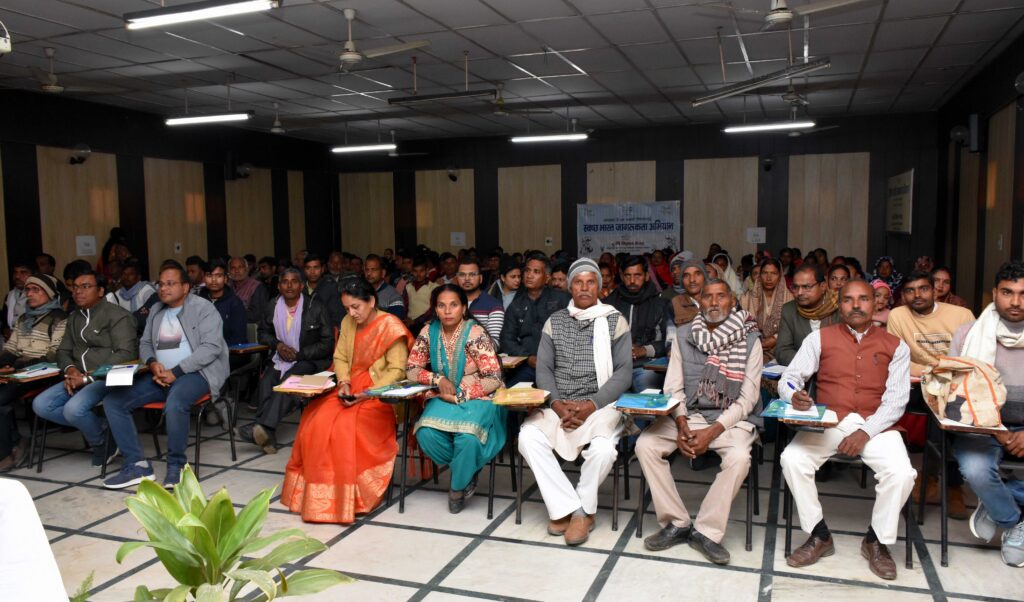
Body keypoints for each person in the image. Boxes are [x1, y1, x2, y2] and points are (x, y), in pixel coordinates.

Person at [779, 280, 917, 581]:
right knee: (792, 459)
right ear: (838, 304)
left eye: (864, 299)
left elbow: (896, 401)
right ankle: (819, 534)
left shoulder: (896, 345)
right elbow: (789, 377)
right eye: (848, 300)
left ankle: (876, 541)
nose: (856, 305)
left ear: (875, 303)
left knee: (902, 473)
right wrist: (794, 395)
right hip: (832, 420)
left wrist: (865, 432)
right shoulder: (820, 338)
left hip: (878, 424)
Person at [636, 278, 762, 563]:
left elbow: (747, 399)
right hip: (689, 414)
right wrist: (681, 424)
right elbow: (673, 387)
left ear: (732, 301)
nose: (714, 302)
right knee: (645, 444)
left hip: (729, 418)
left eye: (721, 297)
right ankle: (677, 522)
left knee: (740, 457)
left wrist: (712, 432)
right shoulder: (683, 334)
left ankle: (706, 531)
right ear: (699, 302)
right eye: (708, 297)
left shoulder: (750, 339)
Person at [518, 258, 632, 546]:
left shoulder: (615, 320)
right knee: (527, 437)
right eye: (578, 282)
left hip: (600, 405)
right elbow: (543, 369)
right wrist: (556, 405)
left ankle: (582, 508)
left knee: (604, 450)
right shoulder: (554, 321)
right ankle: (571, 508)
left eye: (590, 281)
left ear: (600, 287)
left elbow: (624, 373)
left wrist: (590, 405)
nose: (584, 287)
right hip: (560, 404)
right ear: (569, 287)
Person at [281, 279, 414, 523]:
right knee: (315, 419)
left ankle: (352, 498)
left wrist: (366, 393)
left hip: (379, 393)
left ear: (371, 301)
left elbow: (397, 370)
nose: (351, 313)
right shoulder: (347, 322)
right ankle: (317, 499)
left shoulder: (390, 326)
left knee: (345, 427)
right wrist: (344, 383)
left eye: (356, 307)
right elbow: (340, 357)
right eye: (347, 308)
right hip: (350, 385)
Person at [102, 262, 228, 489]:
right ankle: (137, 465)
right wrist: (152, 364)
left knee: (175, 402)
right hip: (160, 375)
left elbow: (211, 348)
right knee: (114, 401)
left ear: (186, 287)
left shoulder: (203, 308)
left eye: (171, 284)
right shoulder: (157, 311)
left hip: (196, 373)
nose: (163, 289)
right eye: (161, 284)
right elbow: (146, 343)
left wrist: (176, 372)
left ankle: (176, 466)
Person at [949, 261, 1024, 566]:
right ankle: (1012, 521)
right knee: (977, 470)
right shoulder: (968, 334)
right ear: (994, 293)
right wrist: (999, 431)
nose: (1016, 301)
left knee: (987, 479)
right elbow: (955, 397)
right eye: (1008, 293)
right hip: (981, 424)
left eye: (1023, 293)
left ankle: (996, 499)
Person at [406, 285, 505, 513]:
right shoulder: (428, 331)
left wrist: (461, 395)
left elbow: (493, 377)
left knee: (468, 439)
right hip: (443, 394)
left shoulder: (475, 333)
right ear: (436, 309)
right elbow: (412, 369)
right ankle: (467, 469)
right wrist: (437, 378)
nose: (447, 311)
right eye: (441, 305)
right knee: (425, 433)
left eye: (454, 305)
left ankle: (457, 486)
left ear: (464, 308)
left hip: (480, 396)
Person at [887, 270, 975, 516]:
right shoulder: (898, 315)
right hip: (918, 385)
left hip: (957, 385)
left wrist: (943, 372)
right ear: (902, 295)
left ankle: (944, 482)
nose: (917, 295)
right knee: (930, 406)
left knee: (948, 411)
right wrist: (933, 369)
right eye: (910, 290)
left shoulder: (961, 315)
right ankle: (931, 479)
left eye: (923, 288)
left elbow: (972, 357)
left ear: (935, 290)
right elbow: (897, 358)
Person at [32, 269, 137, 466]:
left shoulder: (118, 316)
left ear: (100, 291)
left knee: (74, 409)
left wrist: (88, 377)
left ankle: (99, 443)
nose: (78, 292)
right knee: (41, 405)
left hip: (106, 377)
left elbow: (127, 354)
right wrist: (71, 371)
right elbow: (62, 351)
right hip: (77, 376)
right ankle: (104, 431)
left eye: (86, 287)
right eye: (75, 287)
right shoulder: (74, 318)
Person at [237, 268, 334, 454]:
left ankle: (262, 427)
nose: (289, 285)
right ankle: (267, 435)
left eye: (294, 281)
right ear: (279, 286)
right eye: (284, 282)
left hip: (311, 361)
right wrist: (278, 345)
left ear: (301, 285)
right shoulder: (272, 305)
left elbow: (328, 343)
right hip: (281, 358)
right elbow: (263, 333)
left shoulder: (316, 306)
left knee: (290, 381)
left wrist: (299, 355)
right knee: (266, 382)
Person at [0, 274, 66, 472]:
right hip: (20, 372)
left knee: (1, 398)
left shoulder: (60, 319)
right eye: (28, 290)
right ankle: (16, 442)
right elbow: (11, 348)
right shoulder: (23, 319)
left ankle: (7, 452)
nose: (30, 294)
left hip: (44, 372)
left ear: (50, 293)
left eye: (36, 290)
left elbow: (54, 355)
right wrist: (3, 366)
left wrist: (16, 369)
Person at [500, 253, 571, 385]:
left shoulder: (562, 300)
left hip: (560, 366)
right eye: (527, 270)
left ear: (547, 278)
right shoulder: (516, 305)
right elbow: (507, 339)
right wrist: (527, 357)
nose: (529, 275)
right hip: (528, 366)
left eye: (536, 271)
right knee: (512, 392)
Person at [605, 255, 670, 392]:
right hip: (614, 368)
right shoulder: (609, 304)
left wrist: (644, 350)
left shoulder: (660, 304)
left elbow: (669, 342)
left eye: (637, 275)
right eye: (628, 276)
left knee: (646, 406)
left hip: (647, 366)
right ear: (621, 276)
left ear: (647, 276)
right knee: (608, 406)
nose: (632, 281)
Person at [776, 266, 841, 367]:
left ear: (823, 286)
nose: (799, 293)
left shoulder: (840, 308)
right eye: (796, 287)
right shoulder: (789, 310)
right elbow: (783, 351)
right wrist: (812, 364)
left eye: (806, 287)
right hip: (804, 374)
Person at [740, 258, 794, 362]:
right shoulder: (746, 298)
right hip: (752, 345)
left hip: (781, 346)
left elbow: (792, 327)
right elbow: (740, 326)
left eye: (774, 273)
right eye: (765, 273)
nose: (769, 278)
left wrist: (775, 338)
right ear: (760, 275)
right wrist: (756, 340)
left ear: (780, 276)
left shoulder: (789, 298)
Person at [457, 258, 504, 348]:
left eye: (472, 274)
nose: (467, 279)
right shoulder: (449, 303)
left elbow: (494, 344)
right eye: (462, 275)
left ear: (481, 278)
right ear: (457, 278)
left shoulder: (493, 305)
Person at [199, 259, 247, 346]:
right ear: (204, 279)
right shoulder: (197, 301)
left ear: (225, 279)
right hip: (201, 351)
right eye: (209, 275)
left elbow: (238, 338)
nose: (213, 280)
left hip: (228, 352)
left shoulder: (235, 303)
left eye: (218, 276)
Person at [302, 253, 343, 328]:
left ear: (322, 269)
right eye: (308, 268)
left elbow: (336, 315)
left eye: (316, 267)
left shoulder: (331, 288)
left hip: (325, 331)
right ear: (304, 270)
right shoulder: (300, 288)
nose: (312, 272)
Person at [229, 256, 270, 324]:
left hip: (251, 329)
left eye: (240, 267)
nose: (236, 271)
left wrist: (231, 313)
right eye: (233, 268)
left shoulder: (257, 286)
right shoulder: (227, 287)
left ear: (246, 269)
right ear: (229, 271)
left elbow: (256, 315)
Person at [364, 254, 406, 320]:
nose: (369, 273)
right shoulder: (360, 292)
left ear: (383, 273)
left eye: (373, 270)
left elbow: (394, 324)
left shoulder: (393, 296)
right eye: (367, 270)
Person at [406, 256, 438, 330]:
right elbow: (405, 305)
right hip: (409, 323)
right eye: (415, 271)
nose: (418, 274)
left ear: (427, 271)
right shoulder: (408, 287)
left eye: (421, 271)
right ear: (411, 271)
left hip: (426, 324)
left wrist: (415, 321)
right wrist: (406, 319)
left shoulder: (434, 287)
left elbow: (433, 309)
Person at [2, 261, 32, 338]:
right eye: (15, 272)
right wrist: (6, 331)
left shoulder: (39, 296)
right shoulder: (9, 295)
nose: (17, 276)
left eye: (23, 272)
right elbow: (4, 322)